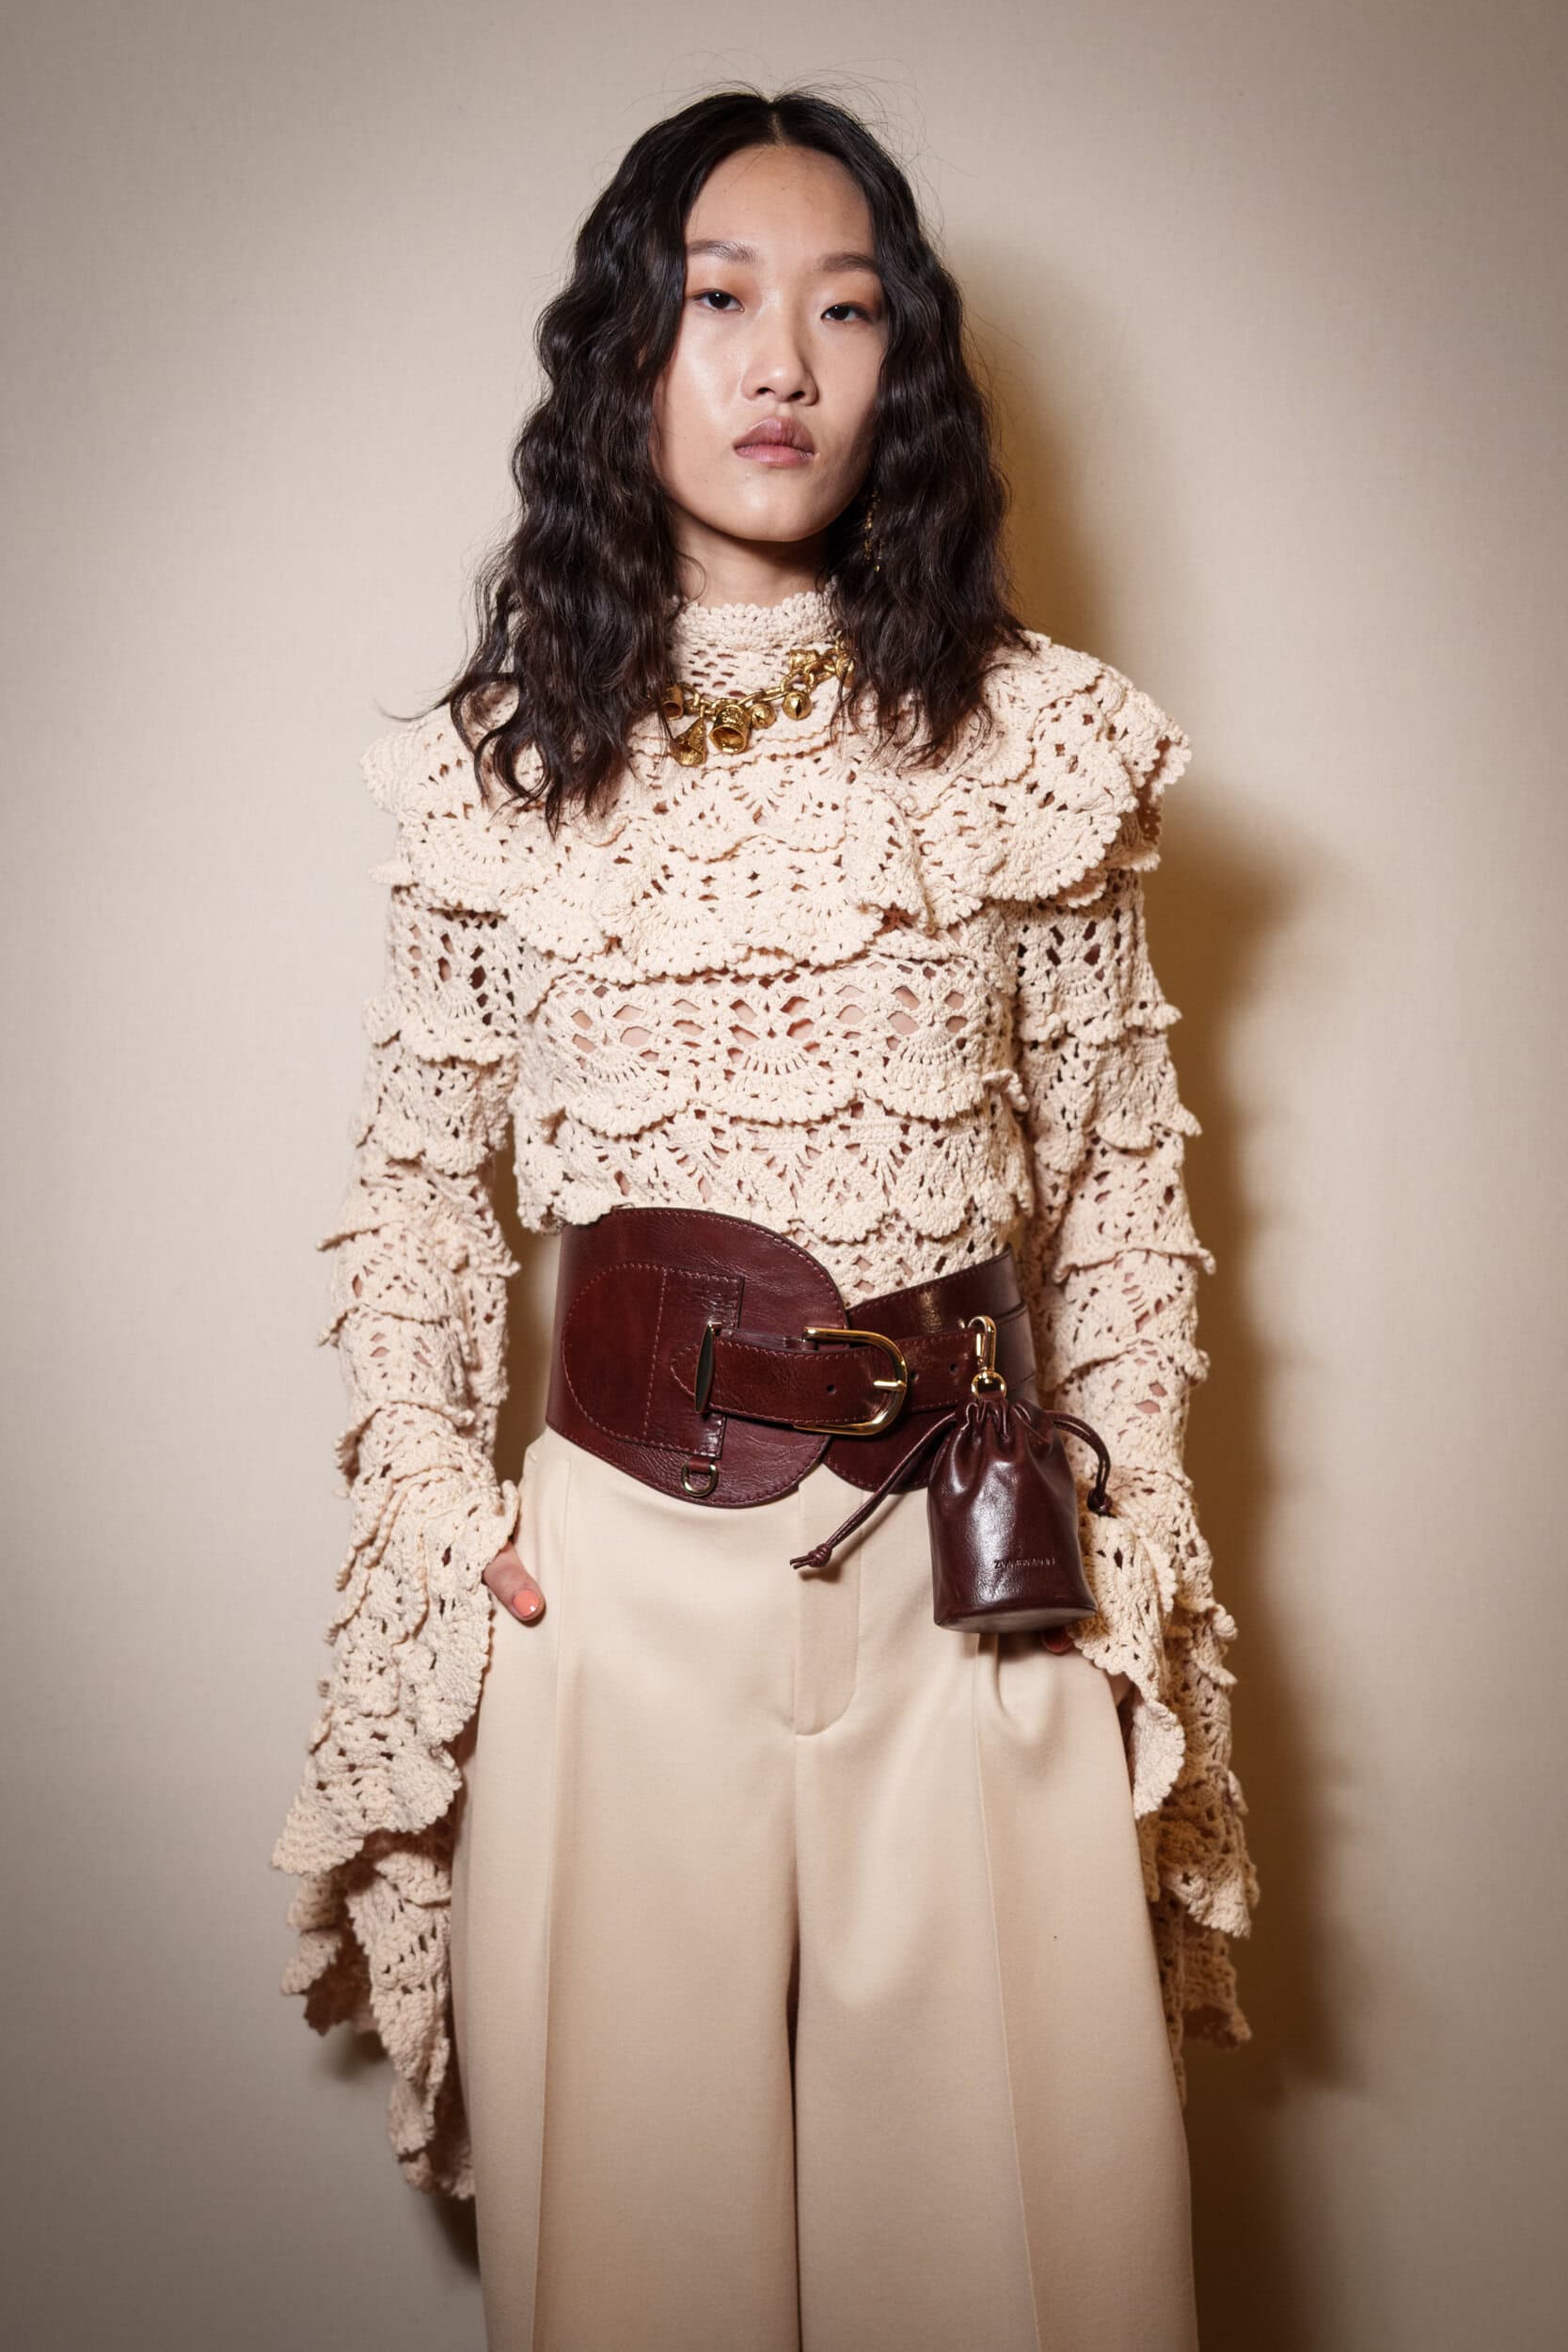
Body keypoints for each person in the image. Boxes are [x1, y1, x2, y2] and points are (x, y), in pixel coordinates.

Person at [271, 84, 1259, 2352]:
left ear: (907, 366)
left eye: (847, 309)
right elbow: (414, 1193)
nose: (782, 363)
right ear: (628, 349)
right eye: (719, 301)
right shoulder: (500, 767)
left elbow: (1120, 1187)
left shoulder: (1036, 745)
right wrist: (447, 1518)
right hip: (614, 1588)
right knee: (636, 2275)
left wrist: (1113, 1539)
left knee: (1036, 2258)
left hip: (972, 1579)